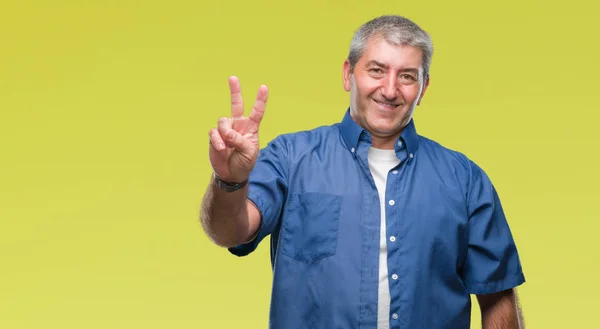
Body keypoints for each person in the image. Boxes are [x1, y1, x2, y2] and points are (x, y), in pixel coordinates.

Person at [200, 15, 526, 329]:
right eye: (376, 70)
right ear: (347, 74)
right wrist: (230, 180)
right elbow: (230, 232)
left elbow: (497, 295)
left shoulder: (464, 179)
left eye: (407, 76)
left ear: (423, 89)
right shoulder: (290, 158)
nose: (389, 89)